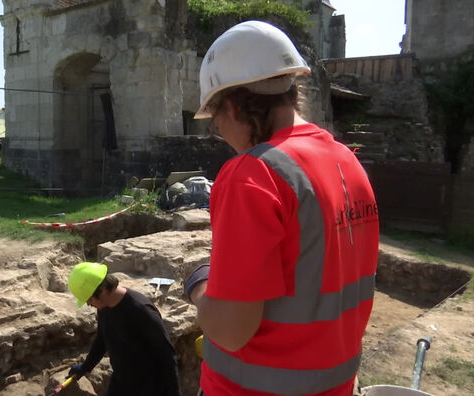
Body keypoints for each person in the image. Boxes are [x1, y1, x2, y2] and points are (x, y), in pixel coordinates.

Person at [183, 20, 379, 395]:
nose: (221, 137)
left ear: (233, 106)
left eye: (216, 124)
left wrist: (200, 286)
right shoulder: (347, 162)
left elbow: (230, 330)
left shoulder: (253, 174)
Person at [67, 261, 181, 396]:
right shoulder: (104, 307)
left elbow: (166, 354)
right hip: (122, 382)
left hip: (150, 387)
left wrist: (174, 392)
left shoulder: (141, 310)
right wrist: (86, 367)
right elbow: (102, 339)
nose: (88, 304)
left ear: (102, 290)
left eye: (89, 299)